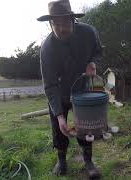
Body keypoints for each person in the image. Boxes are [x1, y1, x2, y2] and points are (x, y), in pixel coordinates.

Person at [37, 0, 103, 179]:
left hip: (83, 90)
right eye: (55, 24)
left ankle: (88, 161)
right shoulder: (47, 49)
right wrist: (59, 115)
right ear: (50, 24)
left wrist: (93, 62)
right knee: (59, 128)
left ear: (72, 20)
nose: (60, 28)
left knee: (86, 127)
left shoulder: (89, 33)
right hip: (59, 92)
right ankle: (62, 160)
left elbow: (98, 51)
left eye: (64, 23)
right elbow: (49, 85)